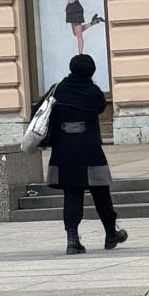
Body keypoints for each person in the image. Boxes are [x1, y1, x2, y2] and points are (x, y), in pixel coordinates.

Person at [44, 54, 125, 254]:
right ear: (92, 71)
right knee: (101, 193)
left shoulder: (59, 89)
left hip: (65, 151)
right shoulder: (93, 92)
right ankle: (110, 233)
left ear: (71, 68)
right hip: (89, 149)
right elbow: (100, 107)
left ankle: (72, 240)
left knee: (72, 195)